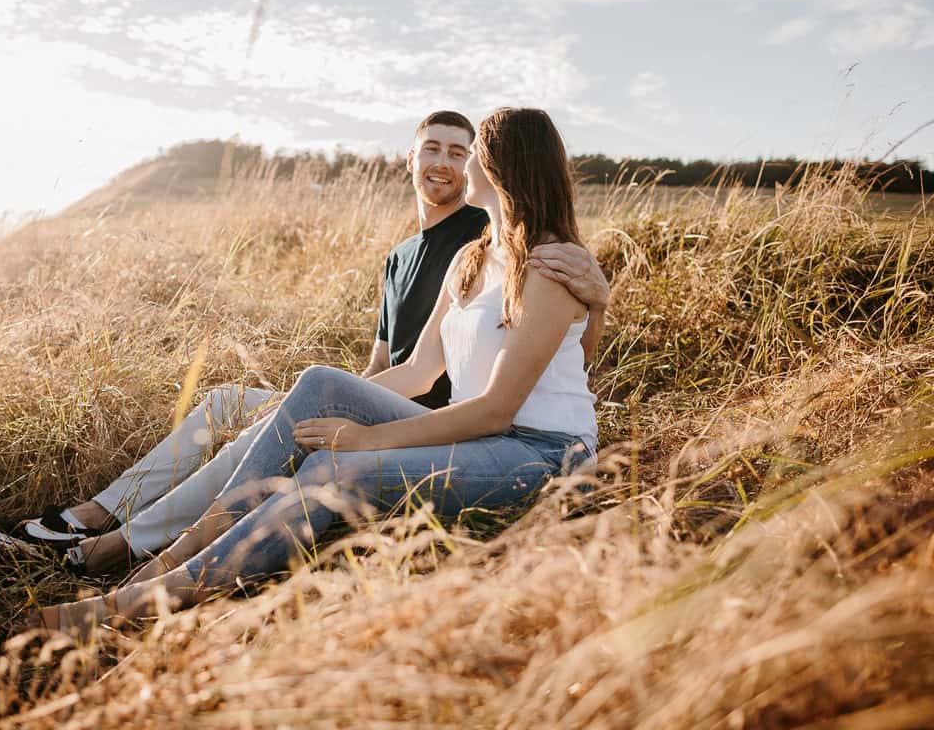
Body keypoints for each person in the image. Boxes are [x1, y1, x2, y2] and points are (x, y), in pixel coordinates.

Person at [32, 107, 599, 635]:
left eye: (473, 150)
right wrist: (320, 412)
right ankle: (172, 553)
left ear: (501, 166)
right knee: (320, 382)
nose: (464, 160)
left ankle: (142, 601)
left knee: (335, 471)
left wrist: (368, 438)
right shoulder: (471, 259)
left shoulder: (550, 266)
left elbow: (497, 411)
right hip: (481, 430)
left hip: (542, 451)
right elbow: (421, 371)